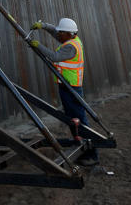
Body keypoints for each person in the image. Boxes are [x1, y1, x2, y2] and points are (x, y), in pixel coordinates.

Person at [31, 17, 99, 166]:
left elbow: (55, 57)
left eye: (61, 32)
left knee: (79, 120)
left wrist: (37, 45)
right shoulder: (70, 38)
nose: (58, 34)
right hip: (67, 86)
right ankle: (81, 146)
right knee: (72, 119)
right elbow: (55, 32)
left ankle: (92, 155)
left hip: (71, 88)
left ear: (69, 34)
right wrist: (43, 26)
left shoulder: (71, 47)